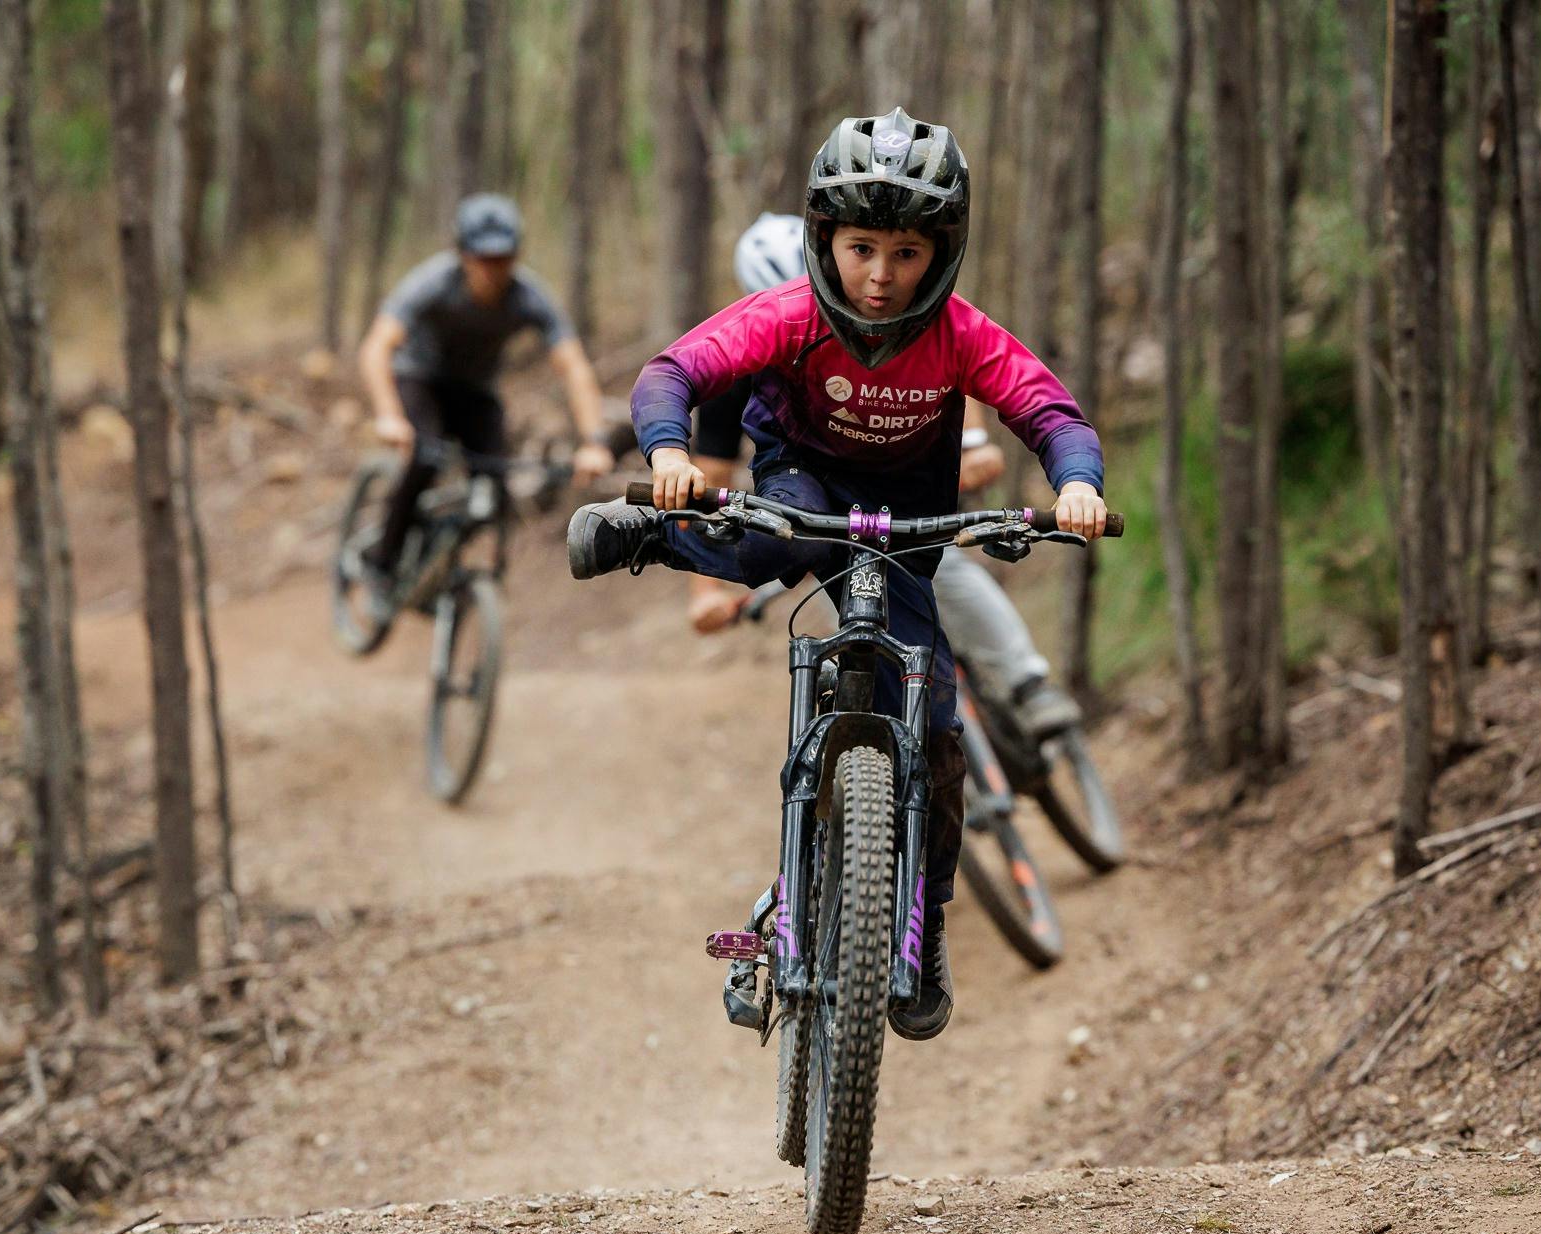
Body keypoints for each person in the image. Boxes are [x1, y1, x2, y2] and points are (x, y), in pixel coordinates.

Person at [567, 109, 1108, 1041]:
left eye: (905, 252)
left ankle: (923, 924)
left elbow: (1051, 411)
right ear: (826, 240)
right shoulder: (792, 315)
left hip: (909, 520)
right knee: (770, 546)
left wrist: (1078, 485)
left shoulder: (963, 335)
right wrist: (666, 452)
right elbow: (673, 373)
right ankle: (648, 538)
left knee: (937, 728)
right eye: (862, 248)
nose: (882, 275)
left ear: (942, 252)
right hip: (804, 482)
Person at [691, 216, 1084, 739]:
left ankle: (1025, 682)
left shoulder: (909, 328)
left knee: (947, 574)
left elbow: (941, 381)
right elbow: (706, 481)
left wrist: (974, 446)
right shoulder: (745, 357)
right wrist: (704, 592)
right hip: (815, 508)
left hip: (905, 487)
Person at [356, 193, 615, 602]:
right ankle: (381, 561)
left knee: (495, 485)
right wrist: (389, 416)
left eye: (504, 258)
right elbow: (376, 348)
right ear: (463, 254)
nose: (494, 270)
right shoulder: (432, 283)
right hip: (418, 378)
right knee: (424, 457)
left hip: (474, 390)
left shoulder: (530, 296)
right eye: (484, 258)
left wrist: (594, 442)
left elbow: (574, 367)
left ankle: (454, 570)